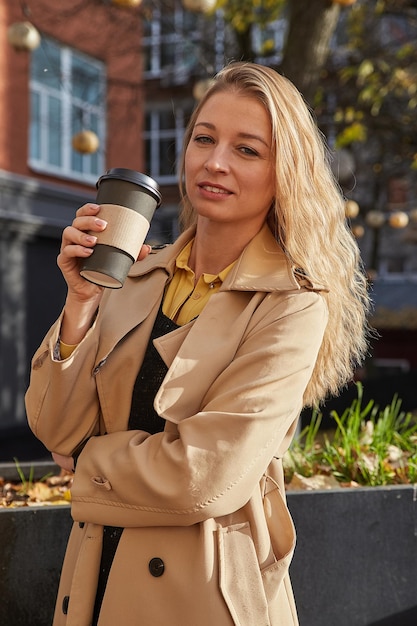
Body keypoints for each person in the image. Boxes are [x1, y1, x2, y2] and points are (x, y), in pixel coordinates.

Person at [25, 61, 370, 626]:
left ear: (286, 171)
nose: (215, 162)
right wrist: (83, 301)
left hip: (202, 592)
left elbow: (202, 476)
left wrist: (87, 458)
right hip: (94, 578)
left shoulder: (291, 303)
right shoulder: (137, 276)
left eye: (247, 150)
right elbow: (54, 426)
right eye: (204, 139)